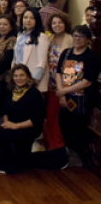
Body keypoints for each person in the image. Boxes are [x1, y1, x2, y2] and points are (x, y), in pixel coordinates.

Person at [56, 26, 100, 166]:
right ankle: (69, 152)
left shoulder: (91, 57)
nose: (77, 39)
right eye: (75, 35)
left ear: (87, 39)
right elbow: (59, 73)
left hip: (82, 99)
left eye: (80, 36)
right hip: (66, 98)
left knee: (78, 127)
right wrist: (61, 92)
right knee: (64, 124)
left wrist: (64, 91)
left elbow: (87, 82)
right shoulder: (66, 53)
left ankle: (78, 156)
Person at [0, 64, 45, 174]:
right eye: (16, 76)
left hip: (28, 127)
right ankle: (7, 163)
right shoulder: (10, 91)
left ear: (28, 77)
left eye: (22, 75)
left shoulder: (34, 93)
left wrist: (16, 126)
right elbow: (4, 110)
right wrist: (7, 122)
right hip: (12, 124)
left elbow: (36, 119)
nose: (19, 78)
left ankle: (9, 166)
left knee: (24, 160)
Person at [45, 12, 73, 151]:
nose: (57, 25)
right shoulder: (49, 38)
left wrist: (64, 88)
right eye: (54, 23)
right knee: (49, 116)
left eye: (60, 22)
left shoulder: (71, 39)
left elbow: (73, 65)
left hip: (63, 84)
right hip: (49, 83)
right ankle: (50, 145)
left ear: (65, 24)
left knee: (57, 117)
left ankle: (58, 146)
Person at [14, 8, 49, 92]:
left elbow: (42, 62)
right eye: (25, 17)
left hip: (33, 80)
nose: (28, 20)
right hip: (19, 79)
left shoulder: (41, 37)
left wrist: (33, 81)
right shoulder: (19, 37)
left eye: (32, 18)